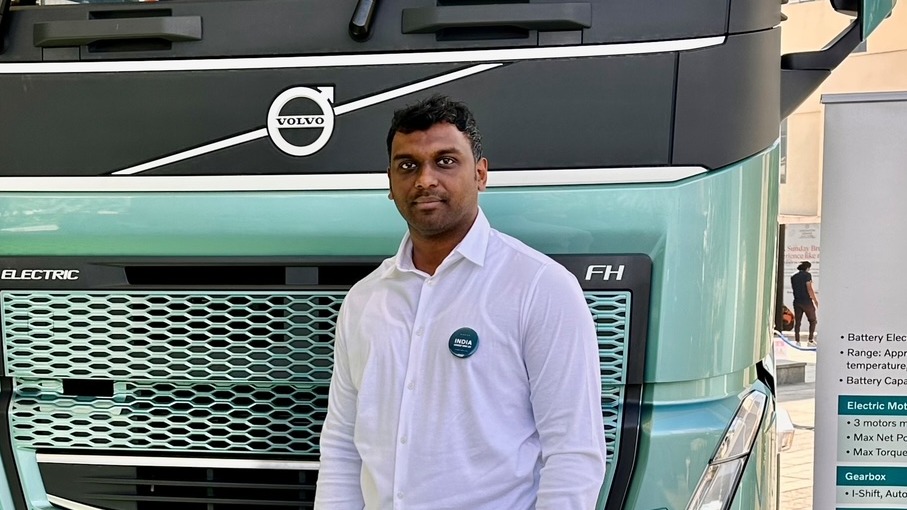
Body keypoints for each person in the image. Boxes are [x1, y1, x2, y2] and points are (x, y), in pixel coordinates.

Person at [314, 95, 607, 509]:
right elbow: (343, 448)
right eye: (407, 166)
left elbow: (574, 453)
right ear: (390, 183)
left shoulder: (540, 287)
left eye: (445, 161)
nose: (425, 180)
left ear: (480, 174)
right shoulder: (365, 300)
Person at [790, 260, 819, 346]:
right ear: (807, 268)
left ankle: (797, 340)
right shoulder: (807, 275)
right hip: (806, 301)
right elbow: (809, 289)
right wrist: (815, 300)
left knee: (798, 322)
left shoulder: (793, 276)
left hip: (797, 301)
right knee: (813, 320)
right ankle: (810, 340)